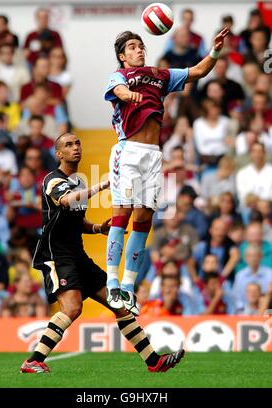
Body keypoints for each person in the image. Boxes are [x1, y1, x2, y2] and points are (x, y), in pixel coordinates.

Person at [20, 132, 185, 374]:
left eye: (77, 143)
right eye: (68, 145)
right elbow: (67, 201)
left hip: (78, 256)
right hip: (56, 256)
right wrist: (103, 185)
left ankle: (154, 362)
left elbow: (77, 221)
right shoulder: (52, 180)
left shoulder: (78, 182)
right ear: (58, 154)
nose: (75, 147)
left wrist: (98, 228)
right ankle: (33, 360)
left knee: (119, 306)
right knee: (73, 308)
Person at [104, 28, 229, 315]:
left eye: (140, 46)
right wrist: (130, 95)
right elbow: (119, 91)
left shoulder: (161, 76)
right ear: (123, 57)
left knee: (144, 221)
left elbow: (197, 71)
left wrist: (215, 51)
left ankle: (127, 286)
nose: (139, 50)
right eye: (132, 48)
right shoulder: (119, 77)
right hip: (129, 151)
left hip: (153, 155)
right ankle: (111, 281)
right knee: (121, 216)